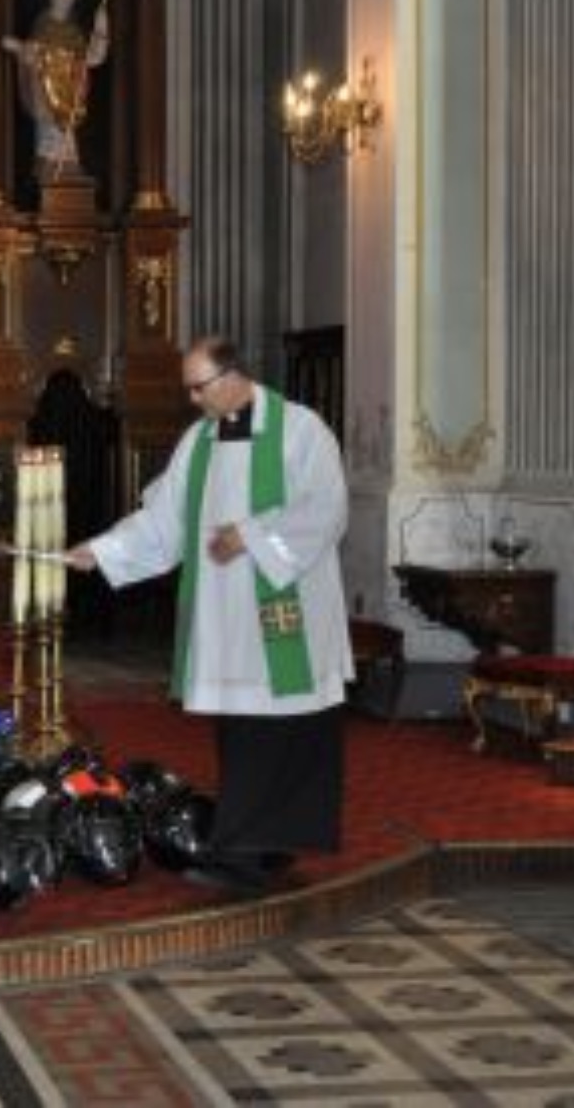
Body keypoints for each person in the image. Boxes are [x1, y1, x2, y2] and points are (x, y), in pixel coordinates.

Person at [65, 334, 353, 893]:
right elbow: (163, 521)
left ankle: (249, 852)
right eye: (189, 389)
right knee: (242, 730)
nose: (194, 400)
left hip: (284, 614)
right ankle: (256, 845)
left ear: (233, 376)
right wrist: (100, 551)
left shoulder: (300, 430)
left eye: (200, 387)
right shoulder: (197, 442)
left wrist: (250, 535)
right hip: (225, 618)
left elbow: (327, 509)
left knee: (280, 730)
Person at [3, 0, 109, 178]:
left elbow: (92, 59)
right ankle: (50, 163)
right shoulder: (43, 24)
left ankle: (65, 166)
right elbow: (33, 55)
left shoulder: (74, 32)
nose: (66, 1)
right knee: (49, 137)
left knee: (67, 141)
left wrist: (101, 29)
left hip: (69, 96)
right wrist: (20, 48)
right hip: (47, 93)